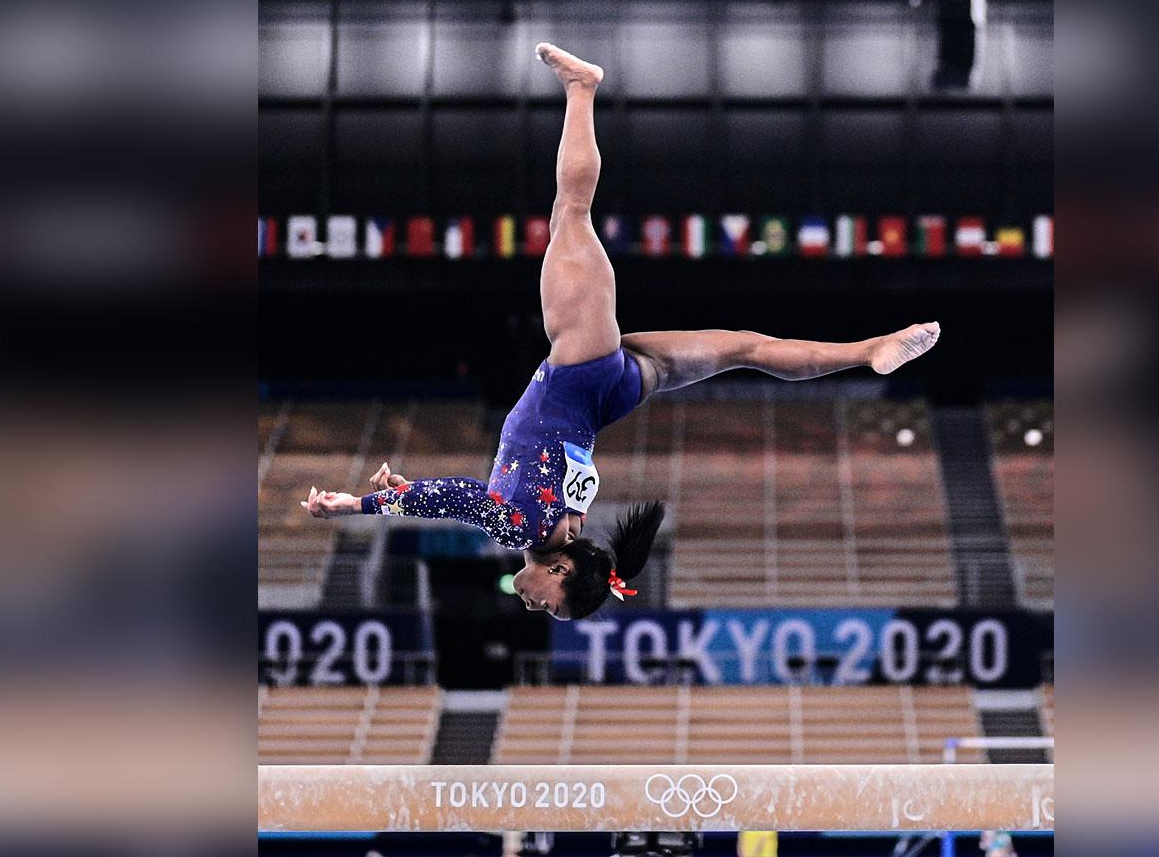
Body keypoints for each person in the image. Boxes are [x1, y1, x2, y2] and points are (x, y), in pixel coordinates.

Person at [302, 44, 941, 620]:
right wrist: (359, 506)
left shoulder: (559, 526)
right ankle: (583, 87)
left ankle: (867, 350)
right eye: (552, 608)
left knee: (746, 347)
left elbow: (469, 496)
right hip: (580, 373)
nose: (535, 608)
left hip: (614, 392)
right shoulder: (522, 525)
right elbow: (466, 500)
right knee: (570, 212)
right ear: (560, 573)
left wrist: (406, 491)